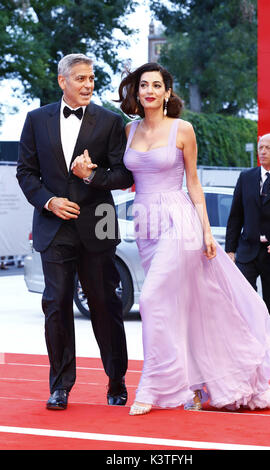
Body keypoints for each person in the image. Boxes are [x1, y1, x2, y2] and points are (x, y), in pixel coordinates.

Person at [114, 62, 270, 416]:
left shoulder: (183, 129)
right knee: (182, 306)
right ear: (136, 92)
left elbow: (193, 183)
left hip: (180, 220)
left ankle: (153, 387)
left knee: (149, 300)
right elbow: (123, 177)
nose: (149, 90)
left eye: (156, 85)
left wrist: (207, 230)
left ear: (167, 92)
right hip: (146, 223)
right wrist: (90, 174)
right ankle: (195, 386)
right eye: (143, 85)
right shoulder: (129, 131)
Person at [17, 53, 134, 410]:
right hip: (53, 228)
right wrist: (49, 202)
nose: (88, 85)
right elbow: (26, 173)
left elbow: (125, 175)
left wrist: (91, 176)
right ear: (62, 81)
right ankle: (60, 386)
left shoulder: (111, 122)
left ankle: (116, 380)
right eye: (80, 78)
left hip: (97, 226)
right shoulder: (36, 120)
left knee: (105, 305)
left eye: (91, 78)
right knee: (56, 307)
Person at [225, 134, 270, 337]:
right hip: (247, 252)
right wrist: (230, 250)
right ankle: (246, 352)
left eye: (268, 147)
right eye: (260, 147)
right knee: (242, 304)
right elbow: (235, 216)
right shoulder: (246, 177)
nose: (262, 151)